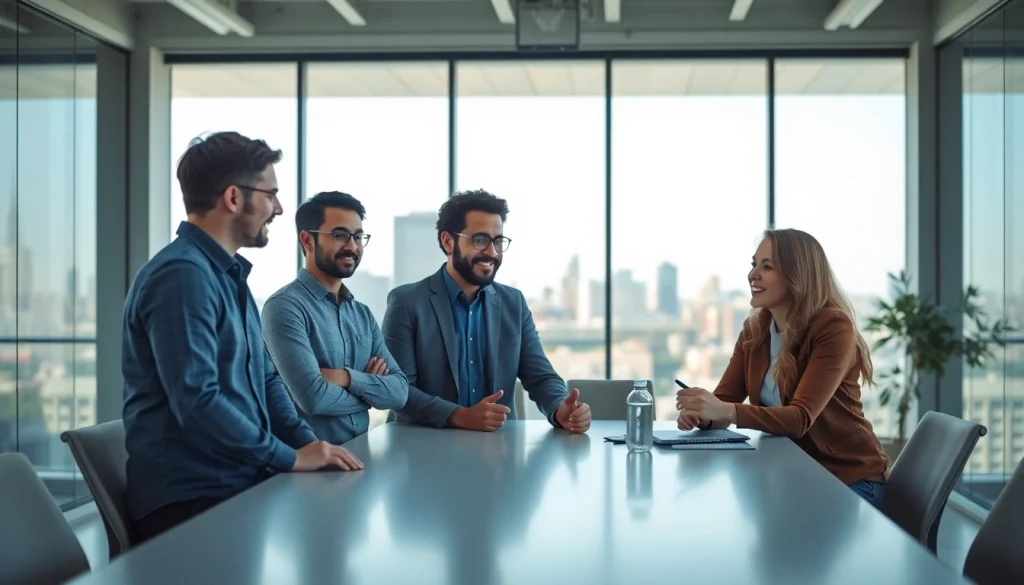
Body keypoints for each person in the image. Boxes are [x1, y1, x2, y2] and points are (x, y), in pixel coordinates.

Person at [122, 132, 363, 544]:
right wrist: (287, 457)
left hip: (238, 482)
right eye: (271, 194)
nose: (279, 208)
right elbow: (198, 400)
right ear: (234, 198)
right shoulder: (182, 276)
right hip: (192, 502)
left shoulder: (229, 276)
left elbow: (268, 382)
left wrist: (313, 447)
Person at [676, 228, 889, 509]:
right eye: (754, 265)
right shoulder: (755, 329)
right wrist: (703, 416)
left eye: (768, 267)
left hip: (848, 477)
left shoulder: (833, 326)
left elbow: (800, 418)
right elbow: (726, 403)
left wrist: (723, 411)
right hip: (792, 473)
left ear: (797, 275)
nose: (753, 274)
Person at [381, 189, 591, 433]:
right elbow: (398, 389)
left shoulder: (514, 303)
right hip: (423, 446)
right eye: (480, 240)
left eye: (498, 241)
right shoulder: (406, 302)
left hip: (497, 451)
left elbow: (541, 377)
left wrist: (559, 409)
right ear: (448, 242)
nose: (492, 252)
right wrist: (459, 416)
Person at [262, 191, 409, 445]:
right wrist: (371, 392)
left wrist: (345, 378)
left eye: (358, 236)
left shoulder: (361, 314)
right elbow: (313, 398)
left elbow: (399, 393)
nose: (352, 246)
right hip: (306, 469)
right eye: (340, 235)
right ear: (307, 240)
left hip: (361, 458)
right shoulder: (284, 307)